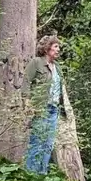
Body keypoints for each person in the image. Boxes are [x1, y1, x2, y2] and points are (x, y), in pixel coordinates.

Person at [23, 35, 64, 174]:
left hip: (53, 109)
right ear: (47, 48)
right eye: (56, 46)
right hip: (41, 108)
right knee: (37, 141)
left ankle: (42, 175)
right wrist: (27, 102)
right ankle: (30, 175)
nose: (58, 50)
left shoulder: (57, 67)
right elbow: (26, 81)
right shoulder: (36, 62)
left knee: (48, 144)